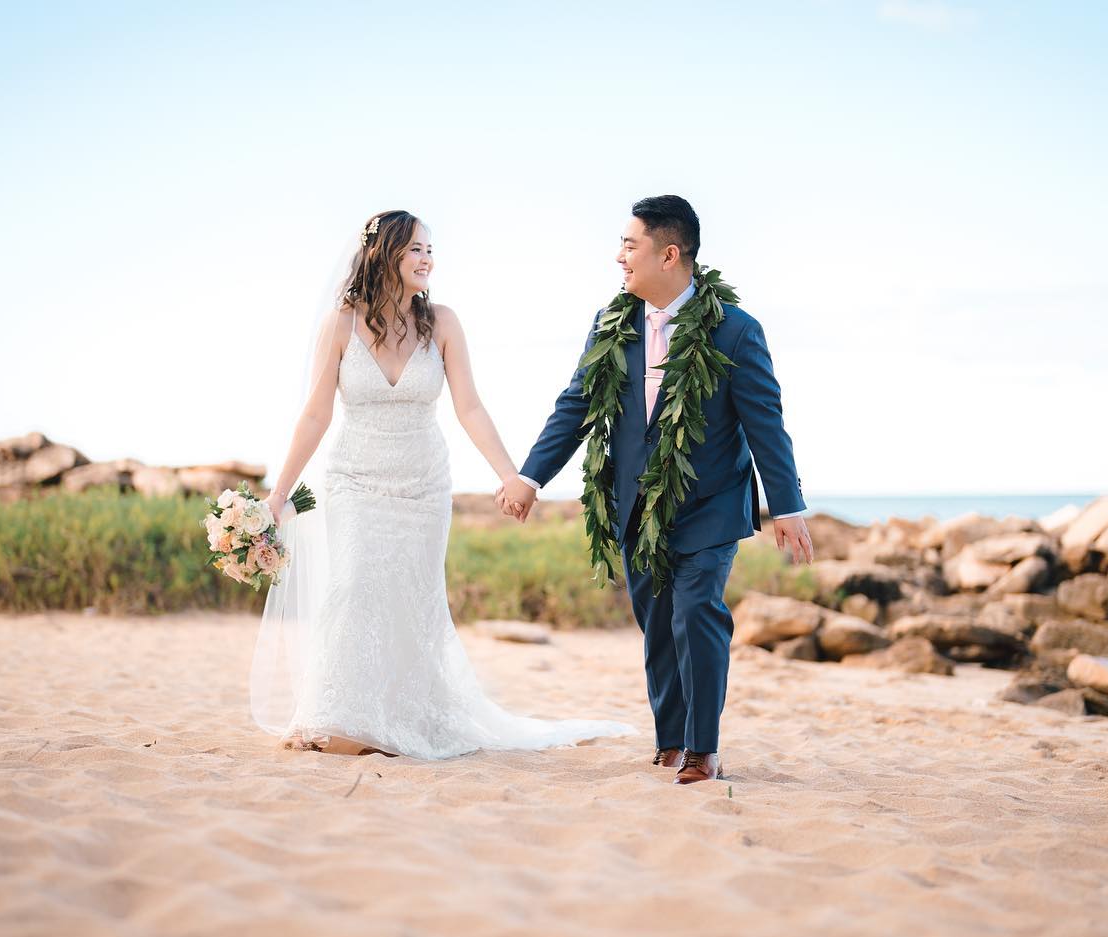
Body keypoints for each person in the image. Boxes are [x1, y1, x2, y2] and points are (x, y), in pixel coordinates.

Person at [249, 209, 635, 760]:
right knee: (354, 588)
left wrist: (512, 475)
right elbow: (314, 415)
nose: (428, 259)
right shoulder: (340, 325)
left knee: (412, 600)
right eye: (416, 250)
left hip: (424, 487)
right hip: (355, 481)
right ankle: (341, 716)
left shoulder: (444, 323)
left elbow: (470, 407)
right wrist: (278, 492)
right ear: (384, 253)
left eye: (430, 250)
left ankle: (402, 719)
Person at [497, 195, 812, 784]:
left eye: (628, 244)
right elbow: (577, 404)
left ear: (669, 255)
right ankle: (671, 739)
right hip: (636, 506)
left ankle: (702, 749)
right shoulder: (611, 323)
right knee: (658, 621)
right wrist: (531, 475)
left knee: (697, 613)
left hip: (712, 504)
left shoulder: (736, 332)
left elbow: (766, 424)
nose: (619, 255)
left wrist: (788, 506)